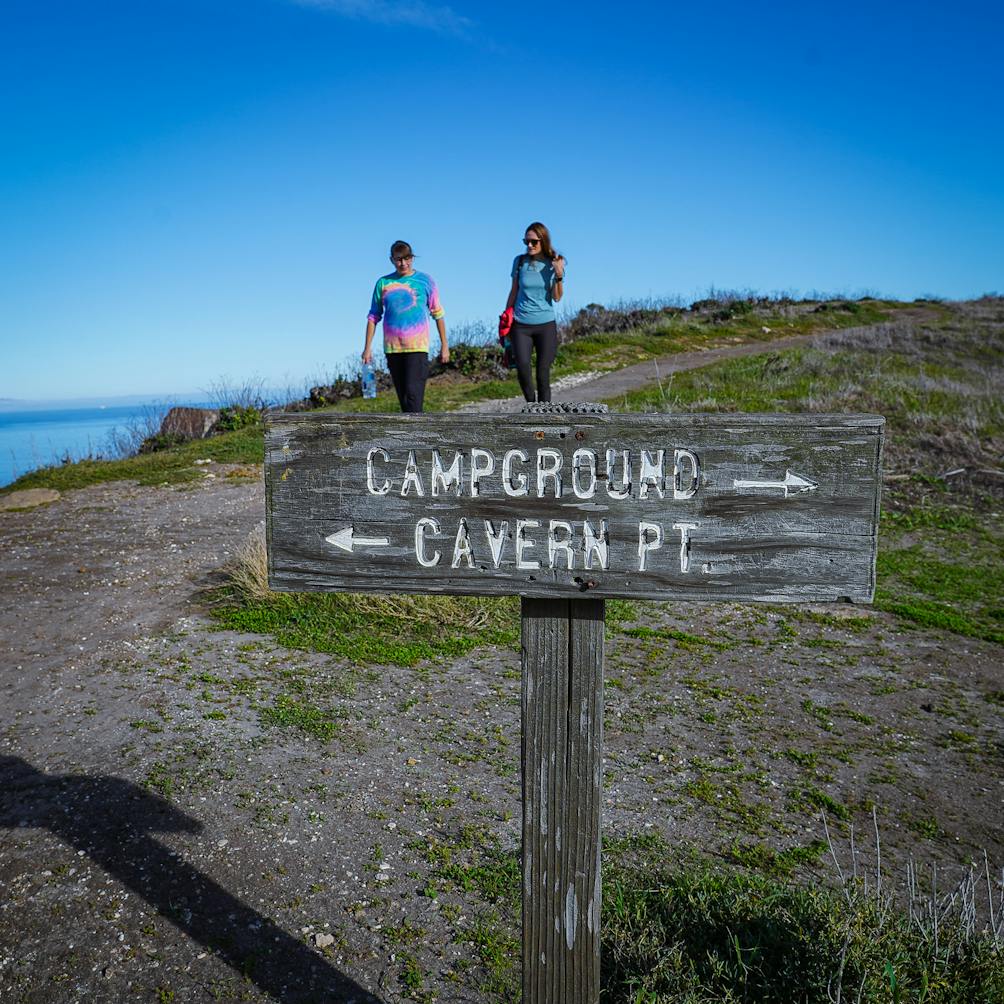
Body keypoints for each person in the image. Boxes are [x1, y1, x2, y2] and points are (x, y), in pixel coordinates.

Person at [362, 240, 449, 413]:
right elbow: (373, 317)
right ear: (392, 260)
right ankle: (413, 437)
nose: (403, 263)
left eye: (407, 258)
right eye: (398, 259)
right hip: (393, 349)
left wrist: (444, 345)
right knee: (403, 399)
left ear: (412, 257)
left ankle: (417, 438)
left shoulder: (425, 281)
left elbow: (438, 314)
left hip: (417, 348)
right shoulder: (383, 283)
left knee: (413, 396)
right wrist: (367, 348)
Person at [504, 221, 565, 402]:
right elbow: (514, 290)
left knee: (542, 373)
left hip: (545, 324)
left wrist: (559, 274)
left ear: (543, 241)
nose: (529, 245)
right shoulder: (520, 262)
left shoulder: (554, 262)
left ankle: (544, 414)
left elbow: (557, 297)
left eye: (534, 242)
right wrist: (505, 319)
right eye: (526, 242)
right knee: (522, 368)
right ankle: (531, 407)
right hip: (520, 324)